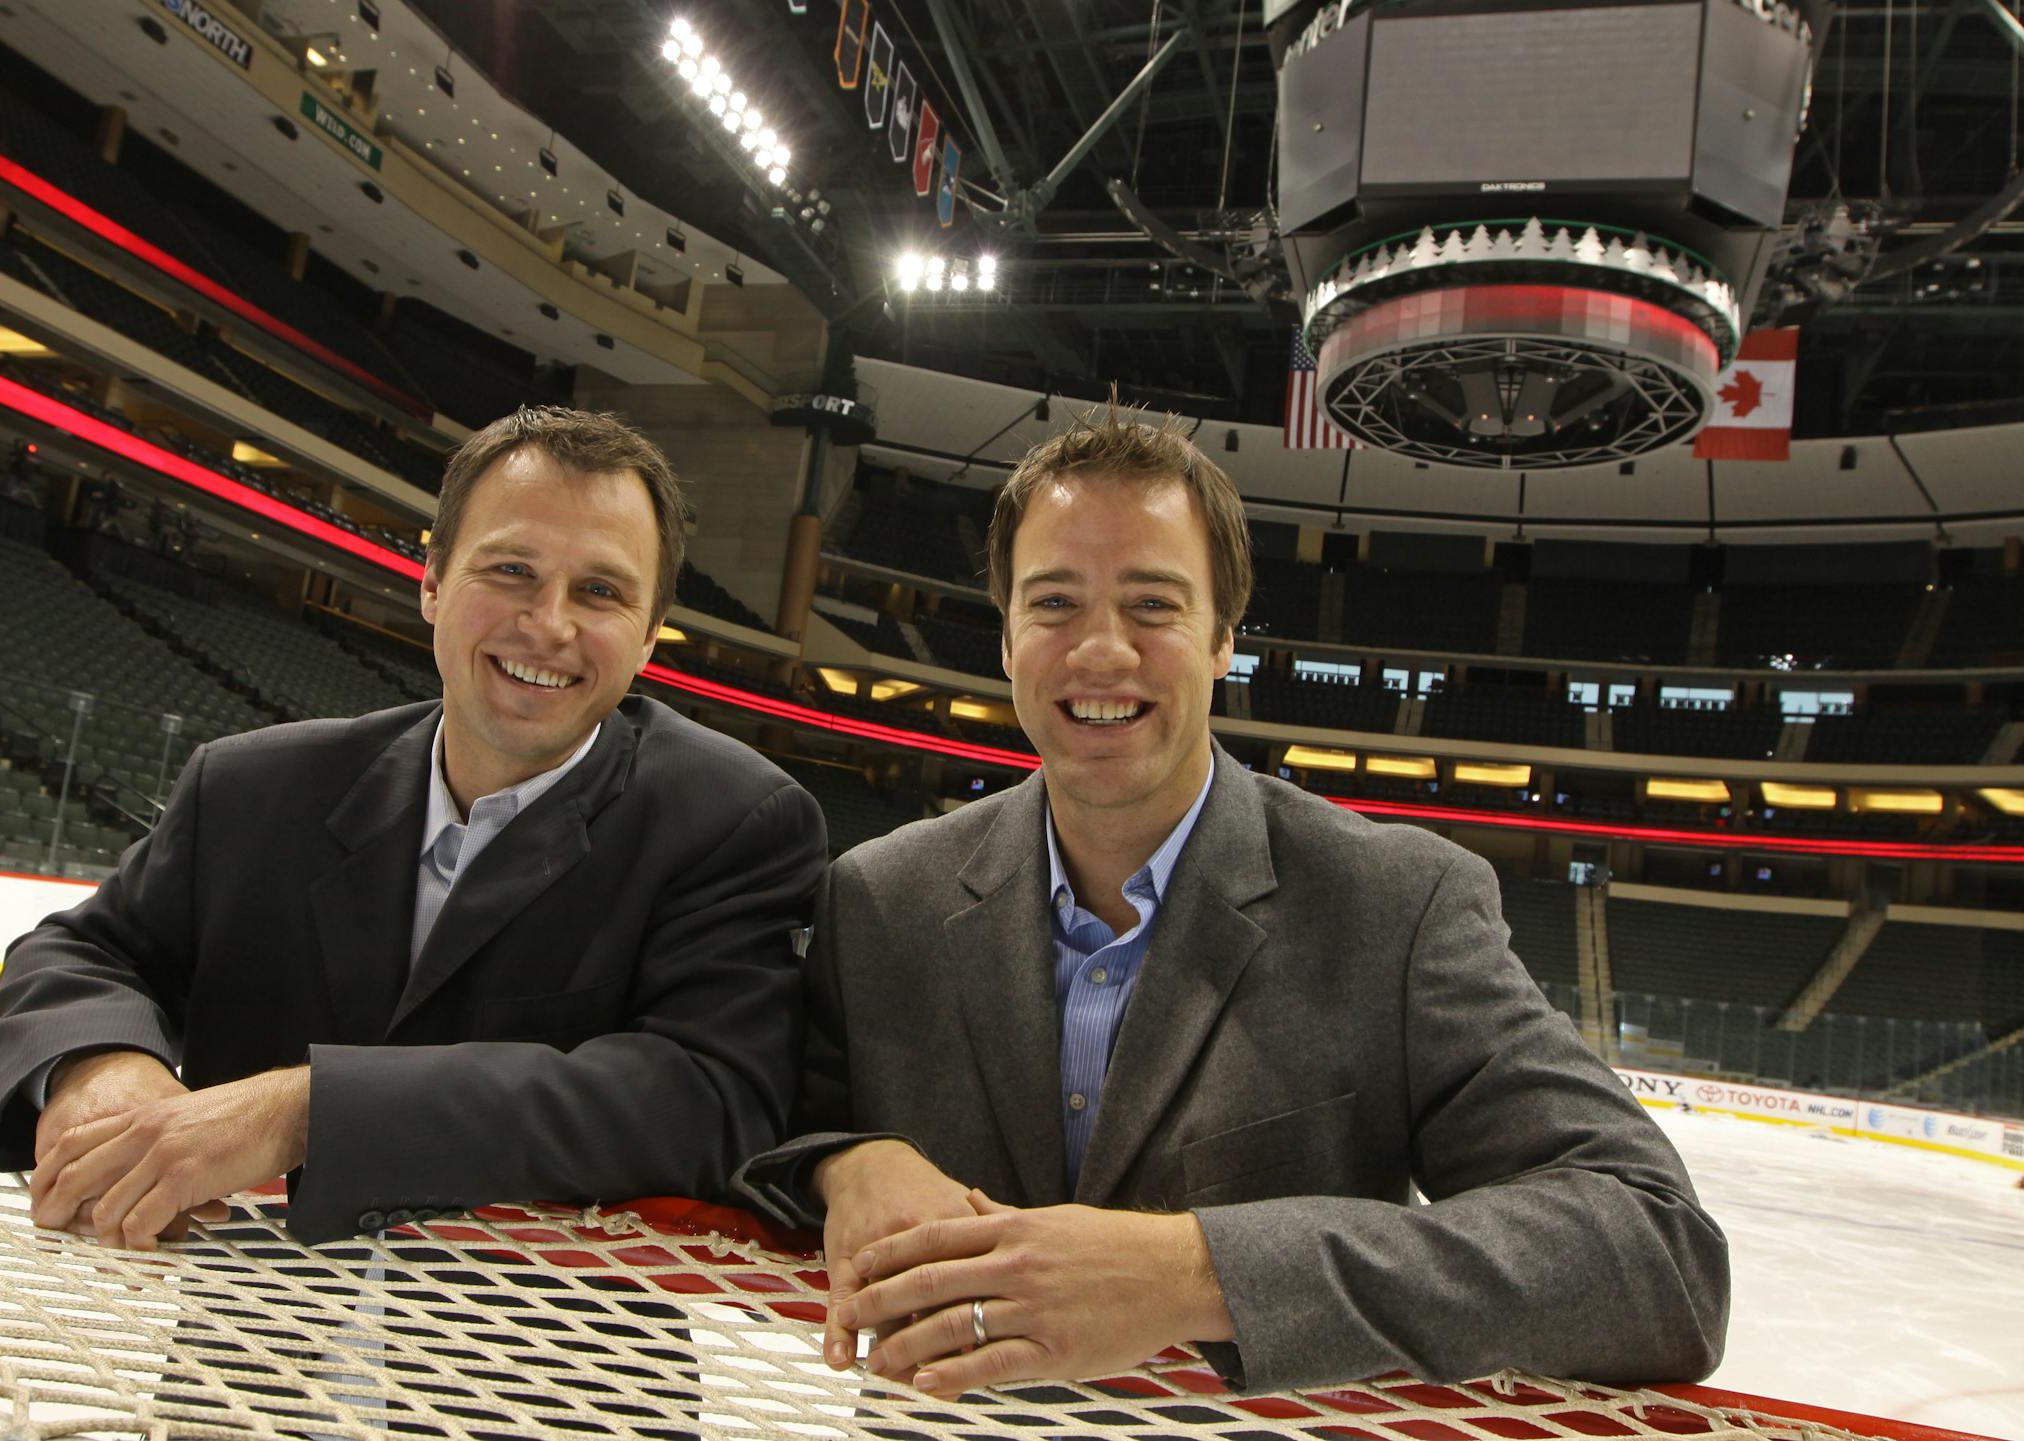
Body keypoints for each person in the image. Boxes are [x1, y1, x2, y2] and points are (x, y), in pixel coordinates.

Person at [737, 406, 1729, 1398]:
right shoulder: (879, 897)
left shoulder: (1395, 906)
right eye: (1054, 604)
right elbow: (772, 1125)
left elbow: (1659, 1255)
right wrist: (846, 1160)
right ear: (1005, 639)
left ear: (1222, 641)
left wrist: (1190, 1272)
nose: (1101, 649)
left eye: (1154, 605)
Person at [0, 406, 828, 1248]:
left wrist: (303, 1112)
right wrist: (98, 1068)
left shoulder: (735, 818)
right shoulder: (250, 785)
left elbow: (709, 1098)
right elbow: (79, 955)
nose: (548, 623)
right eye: (510, 570)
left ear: (648, 638)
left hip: (547, 1384)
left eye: (599, 591)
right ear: (431, 581)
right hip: (241, 1366)